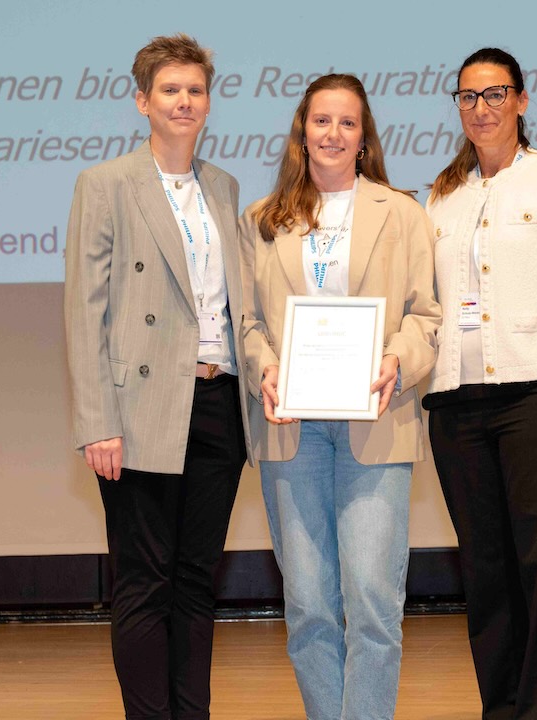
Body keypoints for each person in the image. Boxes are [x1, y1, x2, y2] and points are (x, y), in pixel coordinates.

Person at [239, 74, 441, 720]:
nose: (332, 134)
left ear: (364, 137)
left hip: (376, 423)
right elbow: (247, 325)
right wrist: (266, 367)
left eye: (346, 123)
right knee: (307, 607)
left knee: (375, 605)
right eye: (321, 121)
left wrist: (394, 361)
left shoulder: (401, 214)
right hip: (290, 428)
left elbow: (426, 317)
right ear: (303, 132)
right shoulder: (261, 222)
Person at [63, 34, 249, 720]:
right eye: (170, 90)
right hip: (139, 409)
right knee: (144, 583)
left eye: (195, 90)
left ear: (208, 103)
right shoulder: (106, 184)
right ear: (142, 101)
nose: (184, 101)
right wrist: (97, 421)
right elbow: (85, 309)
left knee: (197, 581)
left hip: (217, 403)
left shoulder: (224, 188)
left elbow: (236, 305)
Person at [423, 48, 537, 720]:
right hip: (455, 406)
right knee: (487, 574)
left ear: (523, 101)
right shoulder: (443, 196)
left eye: (496, 94)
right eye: (470, 97)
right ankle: (501, 709)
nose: (482, 109)